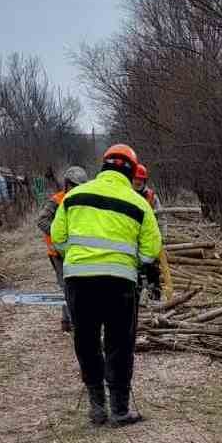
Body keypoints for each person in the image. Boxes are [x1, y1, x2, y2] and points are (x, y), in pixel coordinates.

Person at [50, 143, 162, 427]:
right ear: (131, 171)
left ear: (104, 166)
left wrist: (80, 258)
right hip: (119, 284)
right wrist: (128, 262)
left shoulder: (74, 196)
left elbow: (58, 237)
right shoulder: (139, 204)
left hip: (78, 281)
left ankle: (97, 407)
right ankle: (120, 410)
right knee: (119, 345)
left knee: (86, 342)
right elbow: (150, 251)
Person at [36, 165, 87, 332]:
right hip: (57, 252)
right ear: (66, 184)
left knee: (74, 286)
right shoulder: (57, 201)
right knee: (67, 286)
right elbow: (41, 220)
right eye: (72, 185)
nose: (74, 189)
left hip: (75, 250)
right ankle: (73, 322)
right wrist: (59, 235)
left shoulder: (84, 201)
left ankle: (67, 320)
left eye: (78, 186)